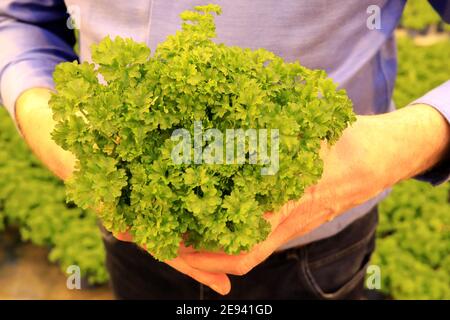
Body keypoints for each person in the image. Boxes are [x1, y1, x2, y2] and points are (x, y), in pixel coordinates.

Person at [0, 0, 449, 300]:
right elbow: (19, 18)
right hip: (134, 239)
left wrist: (403, 143)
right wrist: (48, 121)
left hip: (318, 252)